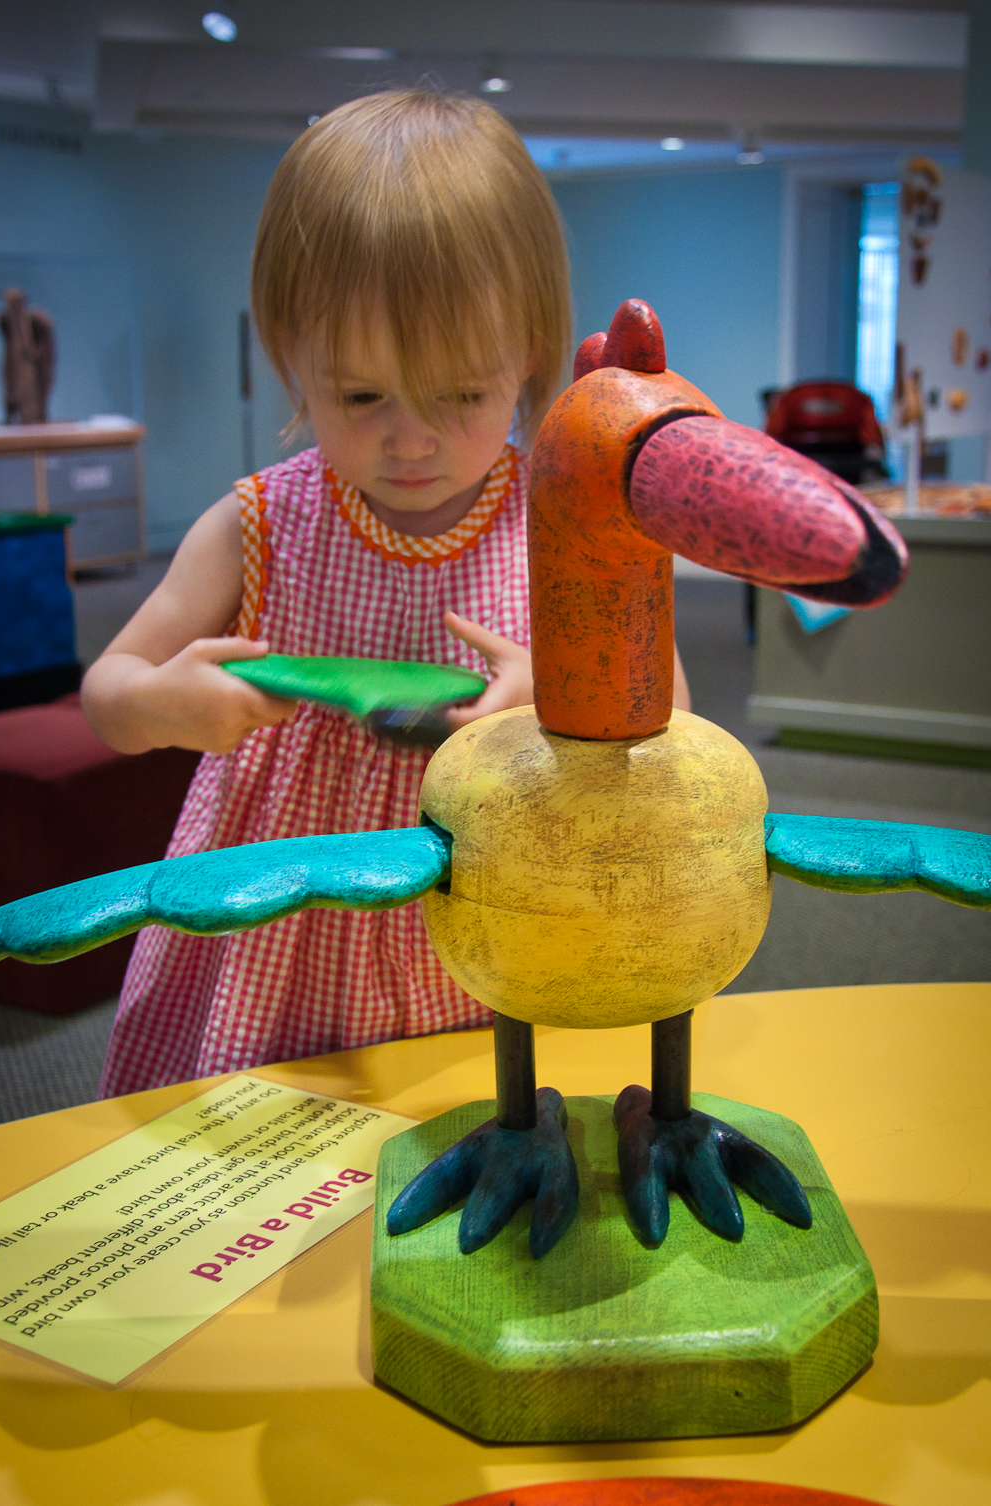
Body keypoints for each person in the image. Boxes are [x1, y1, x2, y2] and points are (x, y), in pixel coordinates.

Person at [83, 89, 690, 1098]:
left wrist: (556, 701)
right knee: (264, 1162)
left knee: (478, 1127)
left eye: (459, 393)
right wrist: (160, 702)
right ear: (289, 356)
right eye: (361, 394)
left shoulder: (570, 519)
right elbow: (108, 692)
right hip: (284, 919)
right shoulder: (259, 522)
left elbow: (678, 714)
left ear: (529, 356)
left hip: (491, 895)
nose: (409, 440)